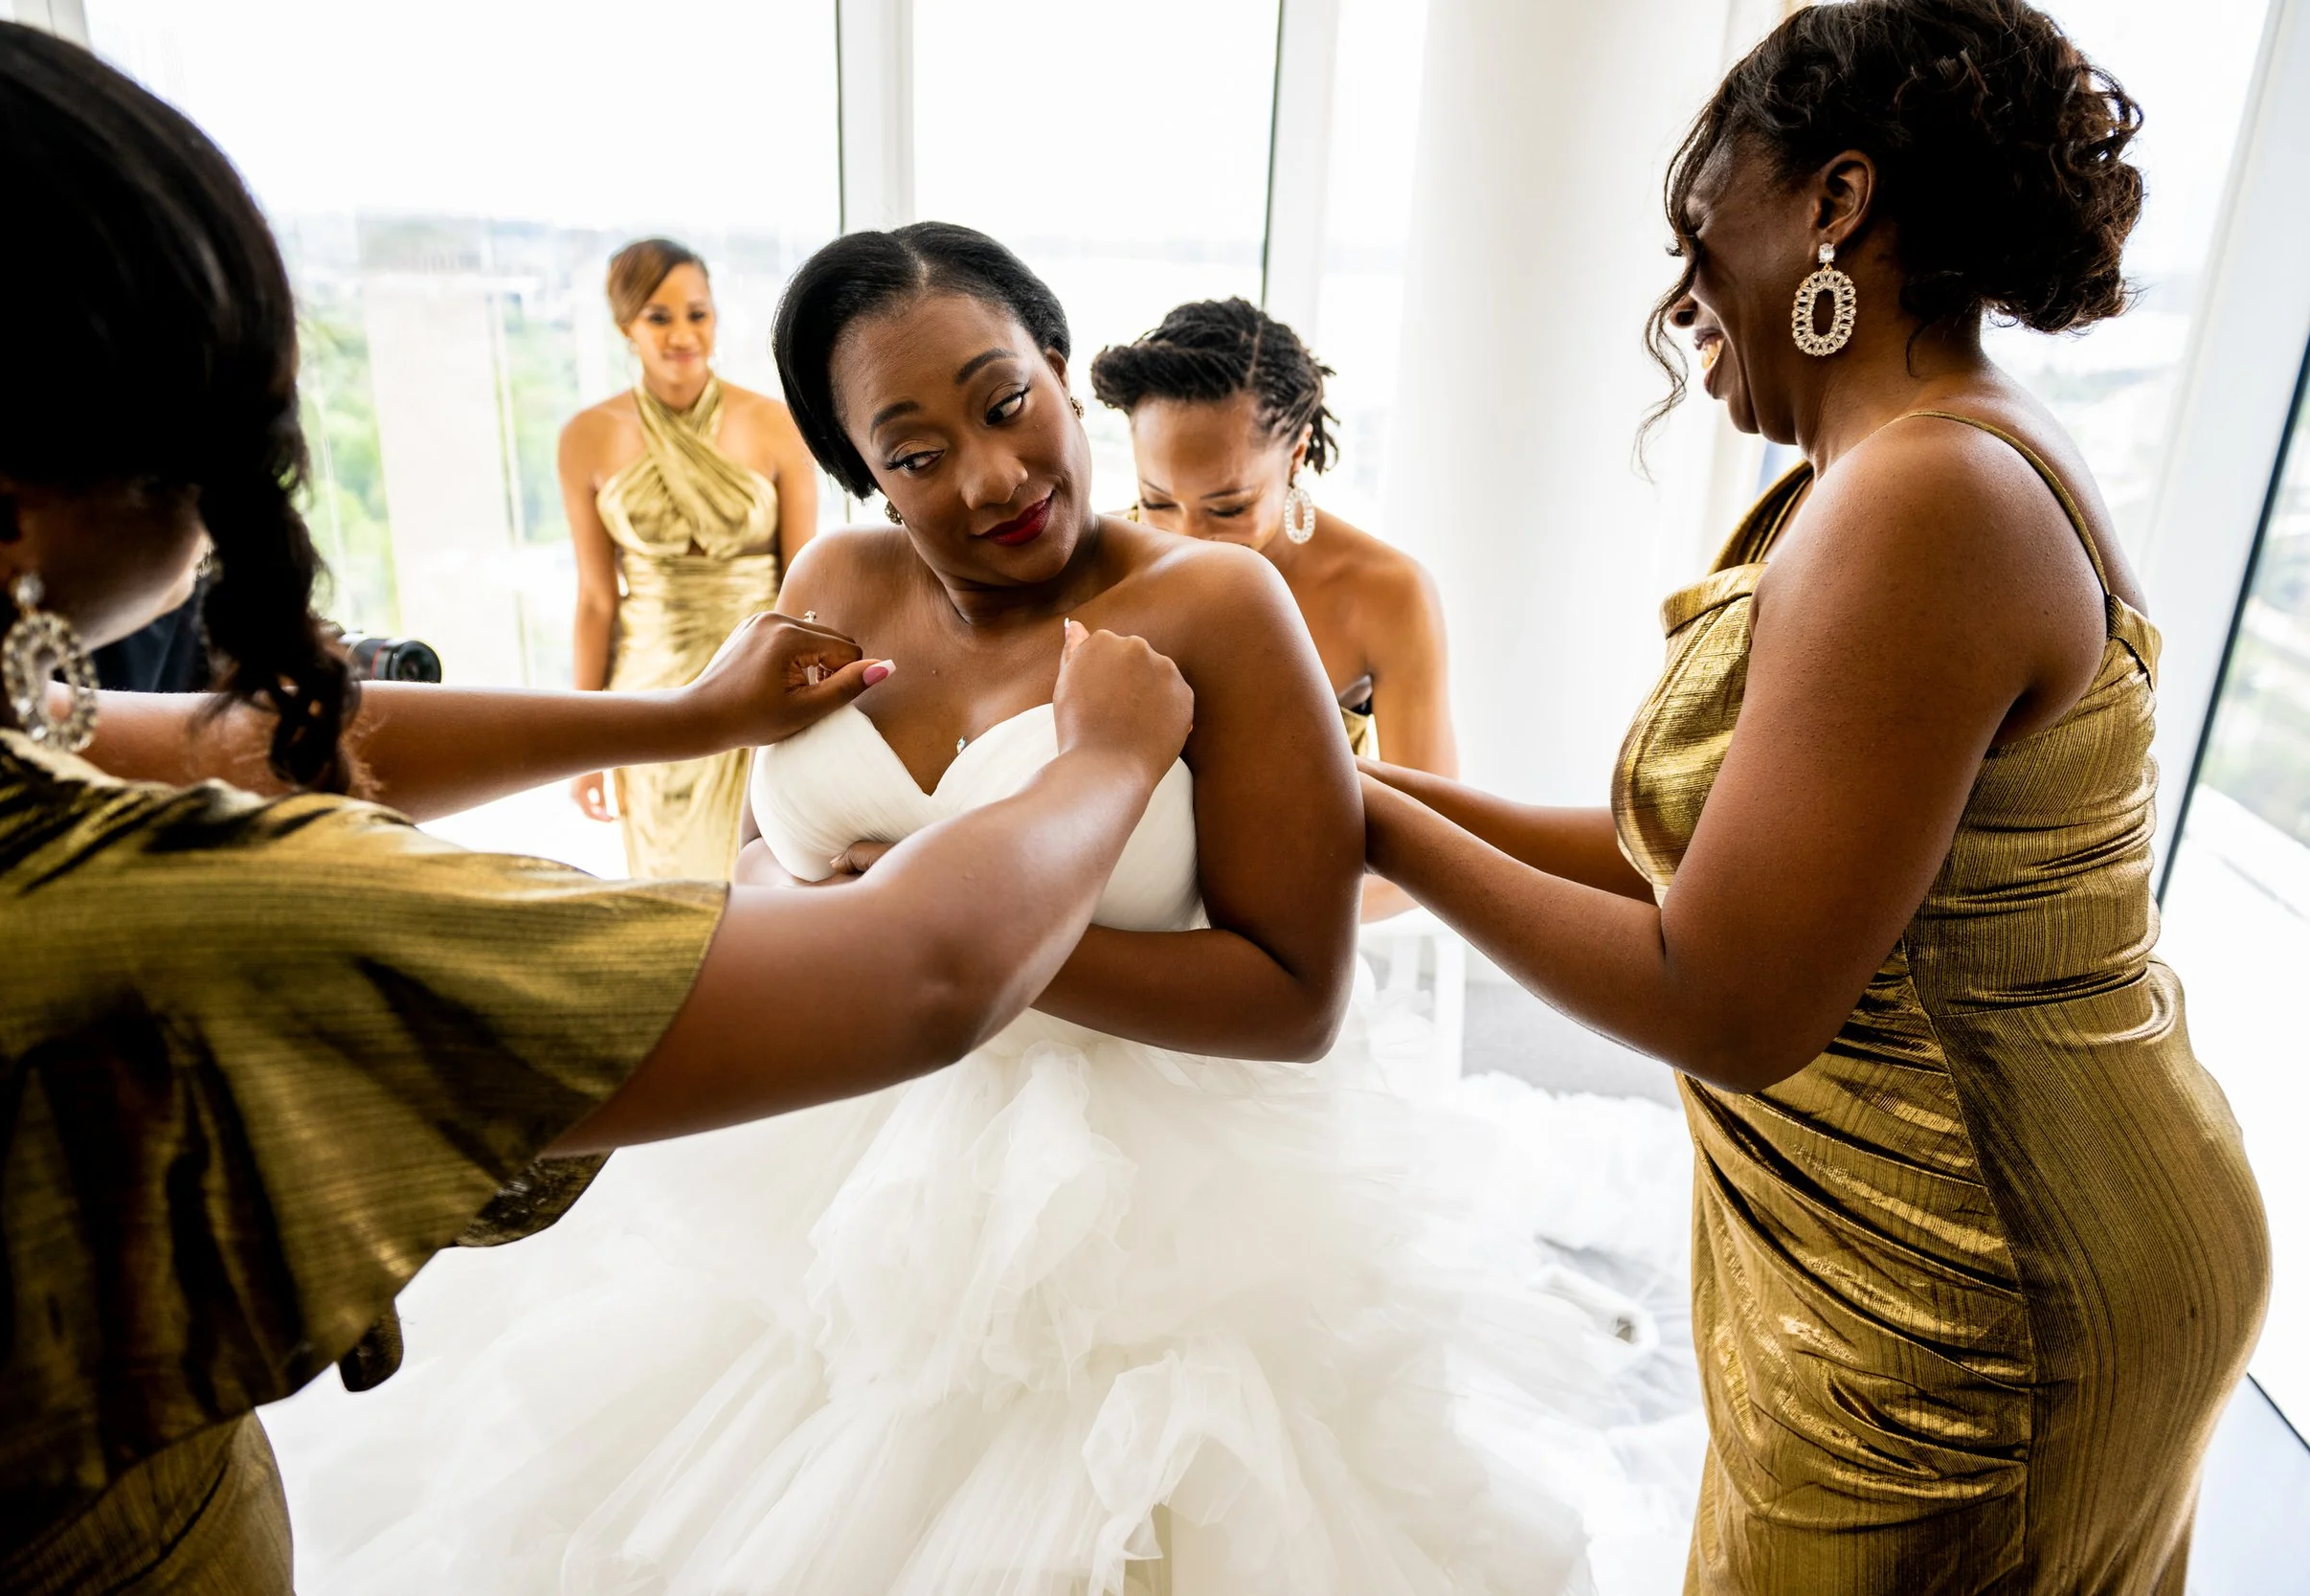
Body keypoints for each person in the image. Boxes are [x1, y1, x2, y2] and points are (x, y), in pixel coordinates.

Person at [0, 21, 1196, 1594]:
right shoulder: (174, 915)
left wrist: (684, 715)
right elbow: (926, 971)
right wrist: (1103, 764)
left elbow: (224, 738)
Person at [291, 224, 1688, 1596]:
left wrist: (944, 939)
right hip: (814, 1179)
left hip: (1134, 1220)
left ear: (1061, 368)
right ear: (859, 476)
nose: (993, 475)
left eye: (1008, 403)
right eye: (916, 451)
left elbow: (1296, 993)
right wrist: (833, 908)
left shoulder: (1214, 603)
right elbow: (769, 864)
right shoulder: (836, 586)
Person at [1353, 3, 2272, 1590]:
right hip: (2025, 1206)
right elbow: (1692, 868)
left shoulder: (1925, 501)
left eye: (1695, 227)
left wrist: (1370, 828)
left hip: (1981, 1277)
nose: (1678, 296)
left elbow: (1730, 991)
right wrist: (1382, 783)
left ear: (1834, 205)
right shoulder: (1932, 462)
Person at [1092, 300, 1455, 918]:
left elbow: (1441, 849)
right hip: (1108, 902)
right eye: (1155, 501)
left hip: (1288, 925)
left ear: (1295, 456)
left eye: (1228, 507)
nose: (1184, 536)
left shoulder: (1388, 595)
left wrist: (1277, 929)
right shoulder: (1097, 566)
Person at [563, 236, 821, 879]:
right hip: (649, 698)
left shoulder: (774, 424)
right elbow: (597, 599)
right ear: (627, 327)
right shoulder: (586, 437)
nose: (683, 333)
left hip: (756, 681)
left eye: (697, 313)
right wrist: (582, 742)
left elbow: (805, 584)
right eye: (659, 316)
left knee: (768, 877)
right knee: (671, 891)